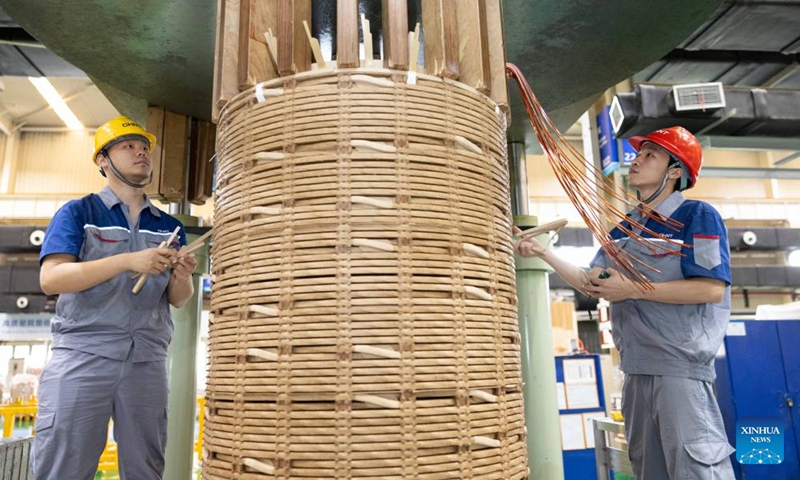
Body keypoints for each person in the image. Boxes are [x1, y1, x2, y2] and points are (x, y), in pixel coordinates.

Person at [516, 126, 735, 479]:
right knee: (649, 470)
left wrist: (632, 288)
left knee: (695, 469)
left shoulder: (696, 216)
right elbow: (594, 283)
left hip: (678, 368)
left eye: (651, 155)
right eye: (639, 153)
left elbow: (710, 289)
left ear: (675, 171)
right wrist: (543, 252)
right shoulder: (624, 229)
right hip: (635, 370)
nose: (636, 160)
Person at [33, 116, 197, 480]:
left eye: (144, 148)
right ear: (102, 160)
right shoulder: (79, 212)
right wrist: (127, 260)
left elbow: (178, 299)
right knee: (64, 467)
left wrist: (182, 277)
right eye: (128, 146)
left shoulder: (168, 228)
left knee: (146, 469)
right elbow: (52, 278)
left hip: (147, 360)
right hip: (83, 356)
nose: (141, 152)